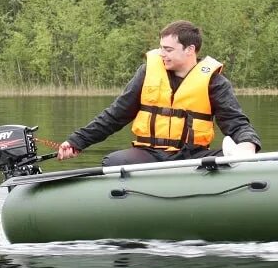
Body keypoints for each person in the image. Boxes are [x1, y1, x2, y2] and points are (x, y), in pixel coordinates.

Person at [57, 20, 261, 166]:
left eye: (168, 49)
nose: (162, 54)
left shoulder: (214, 81)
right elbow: (116, 115)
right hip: (149, 153)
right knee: (114, 161)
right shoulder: (147, 73)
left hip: (192, 155)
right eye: (161, 48)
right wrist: (77, 141)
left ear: (190, 50)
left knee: (227, 159)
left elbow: (236, 122)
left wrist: (248, 144)